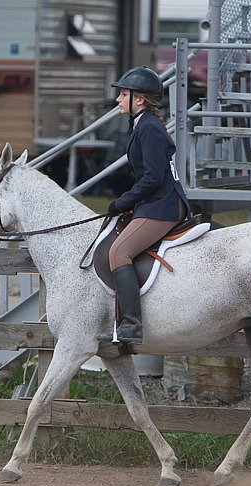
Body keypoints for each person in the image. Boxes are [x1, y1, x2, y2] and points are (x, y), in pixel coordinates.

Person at [96, 66, 190, 345]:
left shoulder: (148, 127)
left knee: (119, 252)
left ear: (139, 99)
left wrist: (123, 202)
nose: (118, 100)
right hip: (155, 202)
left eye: (123, 94)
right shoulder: (142, 124)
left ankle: (132, 326)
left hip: (163, 206)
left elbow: (152, 178)